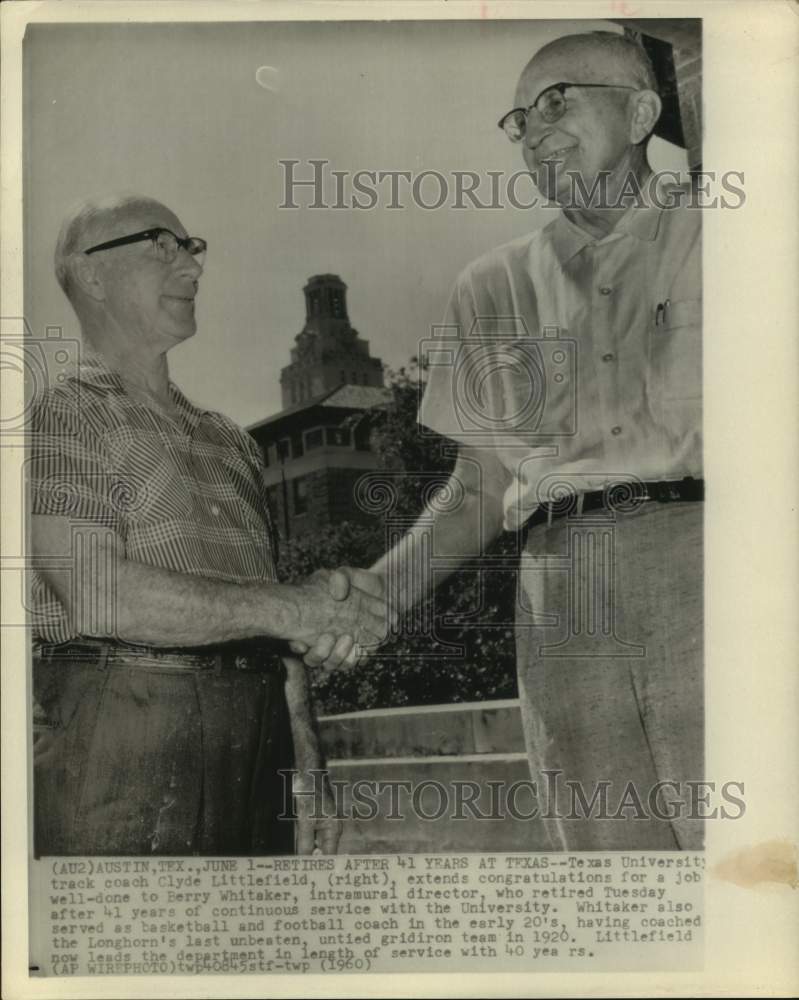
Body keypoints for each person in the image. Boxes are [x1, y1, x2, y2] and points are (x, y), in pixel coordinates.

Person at [301, 31, 703, 850]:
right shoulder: (490, 286)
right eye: (519, 117)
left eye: (559, 99)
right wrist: (364, 603)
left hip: (711, 563)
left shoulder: (738, 234)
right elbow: (479, 487)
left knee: (756, 862)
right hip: (560, 592)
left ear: (640, 111)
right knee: (611, 886)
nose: (534, 127)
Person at [29, 194, 393, 856]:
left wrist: (306, 766)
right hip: (119, 743)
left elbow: (271, 630)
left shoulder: (232, 442)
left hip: (259, 752)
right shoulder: (59, 417)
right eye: (160, 246)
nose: (192, 269)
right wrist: (302, 607)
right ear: (90, 275)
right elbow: (100, 594)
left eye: (192, 248)